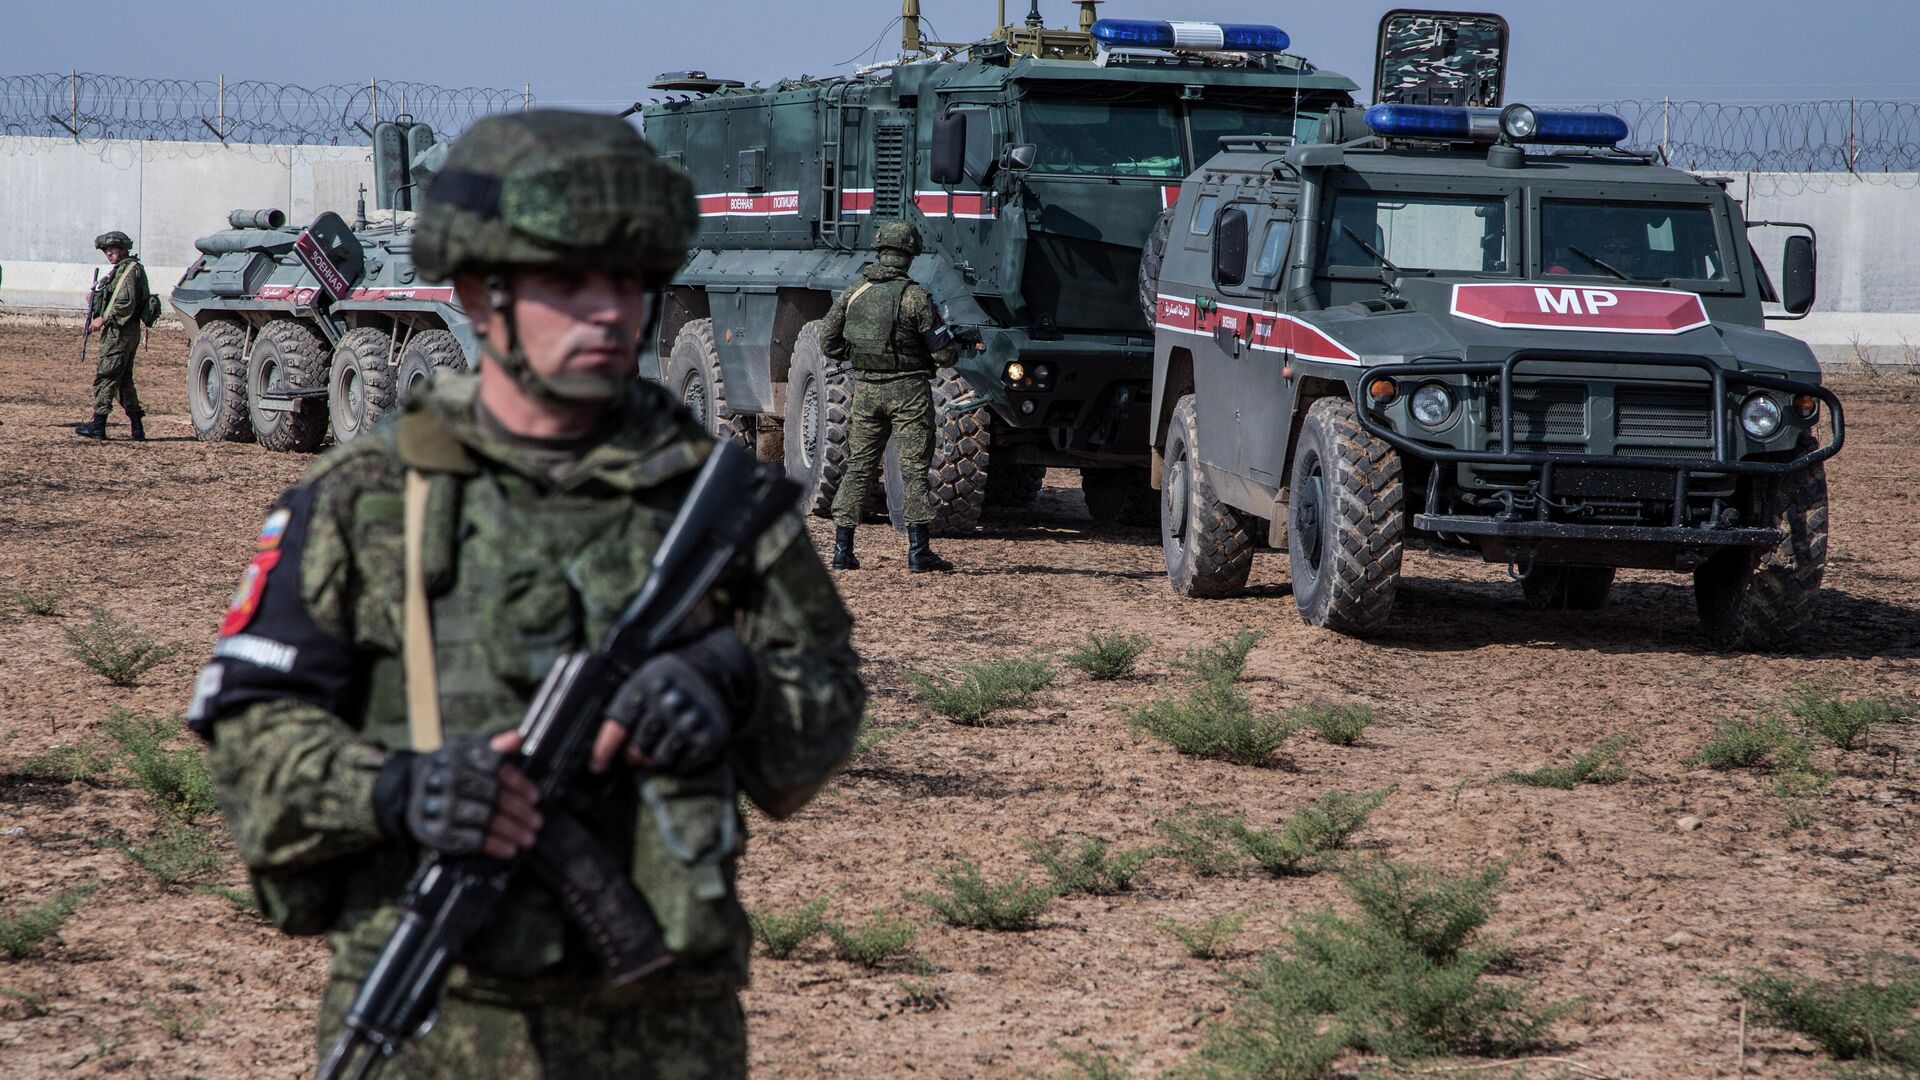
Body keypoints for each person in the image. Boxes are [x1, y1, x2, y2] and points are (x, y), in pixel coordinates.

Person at [186, 110, 865, 1079]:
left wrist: (731, 685)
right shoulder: (367, 502)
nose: (607, 312)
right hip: (439, 1030)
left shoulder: (717, 508)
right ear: (477, 291)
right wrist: (398, 790)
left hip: (664, 1038)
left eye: (629, 281)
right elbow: (252, 744)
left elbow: (822, 719)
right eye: (566, 280)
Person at [822, 220, 958, 573]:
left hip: (866, 390)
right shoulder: (915, 296)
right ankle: (918, 552)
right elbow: (944, 355)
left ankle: (842, 550)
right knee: (913, 469)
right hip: (909, 392)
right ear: (910, 255)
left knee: (858, 467)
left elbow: (828, 343)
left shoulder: (853, 291)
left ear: (879, 251)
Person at [74, 230, 148, 440]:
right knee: (123, 381)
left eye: (112, 249)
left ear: (123, 249)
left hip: (120, 331)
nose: (109, 253)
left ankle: (98, 425)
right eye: (106, 250)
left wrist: (103, 319)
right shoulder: (123, 270)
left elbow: (125, 302)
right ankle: (136, 426)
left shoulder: (128, 271)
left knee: (106, 377)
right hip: (125, 331)